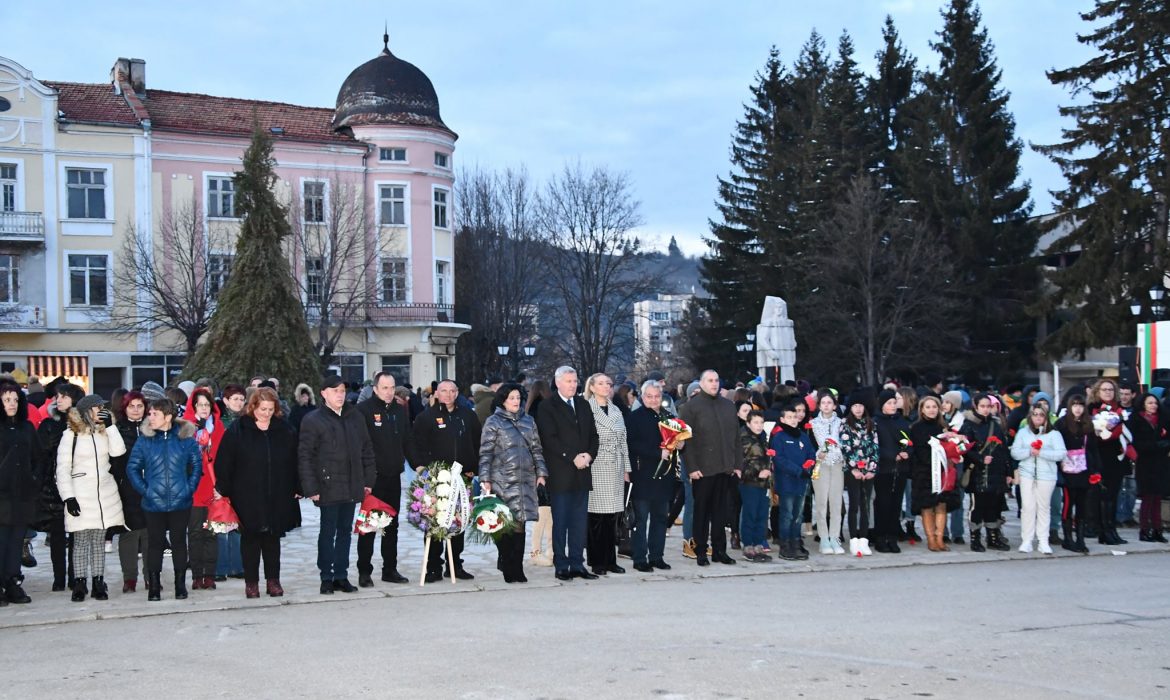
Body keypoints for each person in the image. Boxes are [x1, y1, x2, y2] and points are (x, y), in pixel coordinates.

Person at [214, 387, 300, 598]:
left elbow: (296, 461)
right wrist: (223, 488)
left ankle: (274, 581)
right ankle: (251, 583)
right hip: (247, 494)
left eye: (270, 409)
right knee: (250, 541)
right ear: (253, 407)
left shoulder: (285, 430)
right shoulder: (239, 429)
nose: (266, 413)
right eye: (262, 409)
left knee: (272, 540)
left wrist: (299, 486)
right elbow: (225, 461)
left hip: (277, 492)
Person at [298, 375, 376, 595]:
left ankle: (341, 575)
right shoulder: (313, 420)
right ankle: (326, 576)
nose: (340, 395)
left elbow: (366, 449)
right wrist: (311, 488)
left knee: (345, 532)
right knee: (327, 531)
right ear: (323, 393)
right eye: (335, 391)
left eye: (342, 390)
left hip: (352, 484)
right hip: (327, 485)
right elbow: (305, 456)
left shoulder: (355, 417)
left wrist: (368, 480)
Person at [126, 398, 202, 601]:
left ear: (168, 417)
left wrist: (188, 489)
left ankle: (180, 585)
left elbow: (197, 466)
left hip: (181, 501)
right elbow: (132, 468)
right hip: (153, 502)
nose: (150, 417)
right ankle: (154, 587)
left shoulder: (185, 439)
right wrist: (146, 491)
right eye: (149, 413)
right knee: (155, 544)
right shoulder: (145, 440)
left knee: (178, 542)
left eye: (154, 414)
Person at [56, 394, 127, 602]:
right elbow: (62, 468)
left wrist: (110, 427)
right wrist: (68, 497)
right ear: (87, 411)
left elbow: (119, 451)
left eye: (102, 408)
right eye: (97, 408)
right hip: (80, 493)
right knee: (80, 540)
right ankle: (79, 582)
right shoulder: (71, 435)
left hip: (103, 494)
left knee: (98, 541)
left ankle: (98, 581)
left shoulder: (106, 431)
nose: (100, 411)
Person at [411, 379, 481, 583]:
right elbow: (415, 444)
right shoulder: (427, 417)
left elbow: (477, 443)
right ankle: (433, 566)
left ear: (457, 393)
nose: (448, 395)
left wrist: (474, 468)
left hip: (463, 478)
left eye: (452, 391)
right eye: (444, 391)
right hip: (436, 480)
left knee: (458, 522)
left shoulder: (468, 416)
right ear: (437, 393)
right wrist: (422, 466)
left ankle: (454, 564)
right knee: (435, 524)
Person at [479, 383, 548, 583]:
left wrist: (541, 473)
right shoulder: (493, 422)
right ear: (503, 400)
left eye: (518, 397)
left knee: (520, 525)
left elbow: (536, 449)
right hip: (502, 480)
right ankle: (507, 564)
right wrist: (485, 479)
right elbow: (486, 453)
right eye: (512, 398)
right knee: (503, 526)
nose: (516, 401)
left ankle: (516, 568)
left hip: (525, 480)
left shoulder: (529, 421)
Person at [535, 366, 599, 581]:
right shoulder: (547, 406)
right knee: (561, 521)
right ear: (558, 382)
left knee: (579, 522)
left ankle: (577, 563)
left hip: (582, 472)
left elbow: (593, 435)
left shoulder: (583, 404)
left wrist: (589, 455)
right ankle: (561, 563)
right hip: (561, 472)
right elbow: (549, 438)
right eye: (569, 381)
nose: (573, 385)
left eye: (575, 381)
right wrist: (573, 456)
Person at [355, 372, 414, 586]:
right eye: (385, 388)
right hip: (372, 479)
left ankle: (390, 569)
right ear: (375, 389)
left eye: (392, 388)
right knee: (369, 525)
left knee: (392, 526)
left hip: (393, 477)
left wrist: (418, 465)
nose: (389, 392)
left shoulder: (399, 411)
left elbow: (407, 440)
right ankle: (364, 571)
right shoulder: (363, 411)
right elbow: (359, 446)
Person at [678, 370, 740, 566]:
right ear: (701, 383)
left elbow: (736, 438)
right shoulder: (691, 408)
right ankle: (701, 551)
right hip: (702, 470)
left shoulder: (728, 406)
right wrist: (692, 467)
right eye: (710, 380)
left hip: (725, 468)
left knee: (721, 513)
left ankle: (720, 551)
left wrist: (737, 464)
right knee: (701, 513)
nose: (714, 384)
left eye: (716, 380)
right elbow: (684, 441)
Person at [35, 382, 85, 591]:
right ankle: (59, 577)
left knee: (76, 534)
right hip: (53, 486)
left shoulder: (82, 426)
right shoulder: (49, 424)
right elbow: (41, 454)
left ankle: (75, 576)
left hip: (78, 484)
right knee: (56, 534)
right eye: (58, 396)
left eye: (63, 396)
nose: (58, 400)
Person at [624, 381, 677, 571]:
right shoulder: (634, 418)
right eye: (649, 396)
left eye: (657, 396)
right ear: (642, 397)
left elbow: (678, 441)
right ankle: (640, 558)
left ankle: (657, 556)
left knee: (660, 518)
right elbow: (631, 445)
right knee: (640, 519)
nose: (654, 400)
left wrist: (680, 445)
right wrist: (656, 452)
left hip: (664, 477)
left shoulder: (669, 417)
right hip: (642, 476)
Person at [582, 373, 631, 576]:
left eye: (608, 384)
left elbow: (624, 442)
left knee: (613, 518)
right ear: (592, 387)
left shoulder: (616, 410)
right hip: (597, 466)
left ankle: (611, 560)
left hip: (616, 467)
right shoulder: (587, 409)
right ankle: (597, 561)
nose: (605, 387)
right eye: (600, 383)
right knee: (596, 519)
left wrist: (627, 469)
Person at [0, 382, 41, 604]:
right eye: (7, 399)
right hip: (2, 496)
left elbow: (38, 458)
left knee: (17, 541)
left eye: (15, 399)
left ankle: (12, 582)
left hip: (22, 495)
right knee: (1, 541)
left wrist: (34, 479)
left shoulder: (27, 428)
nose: (12, 404)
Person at [1010, 404, 1067, 554]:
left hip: (1046, 475)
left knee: (1044, 507)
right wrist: (1029, 451)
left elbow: (1061, 453)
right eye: (1035, 414)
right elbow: (1015, 452)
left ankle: (1043, 540)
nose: (1038, 418)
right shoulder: (1023, 433)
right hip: (1027, 474)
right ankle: (1027, 540)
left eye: (1041, 415)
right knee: (1027, 507)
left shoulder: (1054, 434)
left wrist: (1042, 453)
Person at [959, 393, 1013, 552]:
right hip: (978, 473)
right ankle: (975, 538)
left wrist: (1008, 471)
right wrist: (980, 458)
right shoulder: (968, 425)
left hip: (996, 471)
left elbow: (1003, 450)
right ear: (975, 406)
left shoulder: (994, 425)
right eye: (982, 406)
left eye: (988, 406)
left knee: (994, 505)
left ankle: (993, 537)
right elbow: (962, 448)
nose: (985, 410)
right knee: (977, 506)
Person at [909, 396, 962, 552]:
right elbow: (918, 450)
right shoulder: (916, 427)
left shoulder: (944, 426)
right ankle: (931, 539)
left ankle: (940, 538)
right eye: (928, 407)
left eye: (934, 406)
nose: (931, 409)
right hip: (924, 472)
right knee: (927, 506)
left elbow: (951, 447)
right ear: (922, 409)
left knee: (941, 505)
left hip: (943, 471)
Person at [109, 391, 147, 593]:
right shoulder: (117, 429)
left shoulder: (152, 427)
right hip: (126, 486)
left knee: (150, 533)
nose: (135, 409)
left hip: (150, 486)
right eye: (131, 406)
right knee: (128, 533)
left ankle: (152, 575)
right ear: (125, 408)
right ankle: (130, 578)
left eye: (139, 406)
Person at [770, 402, 817, 560]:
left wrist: (808, 466)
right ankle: (785, 543)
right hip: (787, 482)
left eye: (794, 417)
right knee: (787, 514)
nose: (792, 420)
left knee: (798, 515)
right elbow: (779, 459)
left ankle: (796, 541)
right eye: (789, 417)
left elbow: (811, 453)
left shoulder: (803, 436)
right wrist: (798, 470)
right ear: (782, 419)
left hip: (802, 483)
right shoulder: (779, 437)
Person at [1087, 378, 1129, 545]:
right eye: (1104, 389)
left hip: (1116, 457)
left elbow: (1125, 430)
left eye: (1110, 390)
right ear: (1097, 391)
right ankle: (1103, 530)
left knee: (1113, 494)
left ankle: (1112, 529)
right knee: (1103, 495)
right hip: (1099, 456)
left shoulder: (1120, 411)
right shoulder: (1092, 410)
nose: (1107, 392)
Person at [1054, 395, 1095, 553]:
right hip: (1067, 470)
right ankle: (1068, 538)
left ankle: (1080, 538)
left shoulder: (1088, 424)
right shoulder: (1062, 424)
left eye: (1081, 405)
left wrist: (1095, 469)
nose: (1078, 408)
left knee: (1082, 505)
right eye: (1075, 405)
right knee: (1068, 504)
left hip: (1083, 468)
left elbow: (1093, 449)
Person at [872, 389, 911, 553]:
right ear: (882, 405)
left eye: (894, 403)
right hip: (883, 469)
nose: (893, 406)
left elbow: (909, 441)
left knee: (896, 504)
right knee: (883, 503)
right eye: (889, 403)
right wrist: (891, 455)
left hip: (900, 469)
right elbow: (874, 445)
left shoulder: (901, 421)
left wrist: (906, 452)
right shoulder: (875, 422)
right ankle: (880, 537)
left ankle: (892, 536)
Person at [840, 392, 878, 556]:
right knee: (854, 504)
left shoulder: (871, 424)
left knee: (865, 505)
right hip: (852, 470)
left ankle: (864, 539)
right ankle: (854, 539)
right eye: (855, 406)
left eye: (861, 406)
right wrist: (854, 468)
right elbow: (845, 447)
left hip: (868, 470)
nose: (858, 409)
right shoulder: (845, 424)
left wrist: (871, 469)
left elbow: (875, 447)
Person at [1127, 393, 1169, 542]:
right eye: (1150, 403)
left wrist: (1164, 444)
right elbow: (1134, 441)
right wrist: (1154, 445)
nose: (1153, 406)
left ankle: (1158, 530)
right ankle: (1144, 530)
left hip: (1160, 462)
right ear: (1143, 404)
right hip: (1145, 461)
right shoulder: (1136, 420)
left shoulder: (1163, 419)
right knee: (1147, 497)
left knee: (1157, 496)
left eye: (1155, 403)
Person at [810, 390, 846, 555]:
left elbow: (844, 443)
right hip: (821, 464)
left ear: (835, 405)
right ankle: (823, 537)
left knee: (836, 502)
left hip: (837, 463)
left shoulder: (841, 423)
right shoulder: (813, 423)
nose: (826, 406)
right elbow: (813, 444)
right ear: (819, 405)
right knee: (822, 502)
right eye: (823, 403)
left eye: (829, 403)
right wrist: (820, 453)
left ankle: (835, 537)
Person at [737, 410, 773, 563]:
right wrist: (757, 472)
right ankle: (748, 545)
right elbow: (740, 463)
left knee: (762, 515)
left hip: (764, 483)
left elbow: (766, 458)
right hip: (749, 482)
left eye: (761, 422)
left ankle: (759, 544)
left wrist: (769, 469)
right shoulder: (743, 438)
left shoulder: (763, 437)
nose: (759, 426)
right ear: (748, 423)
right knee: (750, 514)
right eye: (755, 422)